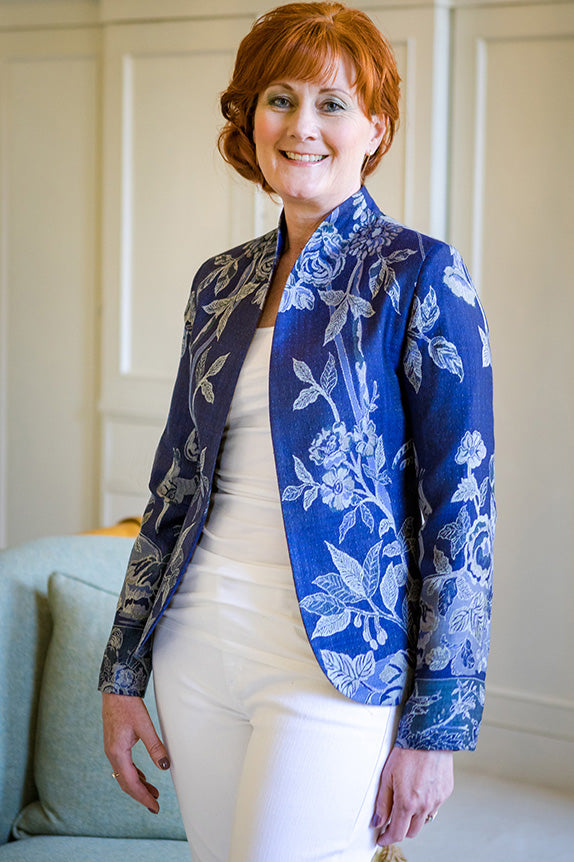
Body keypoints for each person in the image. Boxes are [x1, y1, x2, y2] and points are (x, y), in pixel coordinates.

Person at [99, 3, 495, 861]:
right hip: (197, 643)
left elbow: (463, 513)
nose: (302, 126)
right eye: (279, 98)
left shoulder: (421, 274)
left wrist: (436, 730)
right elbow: (174, 486)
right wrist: (123, 673)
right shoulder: (220, 284)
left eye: (332, 104)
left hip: (335, 664)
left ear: (373, 128)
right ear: (249, 120)